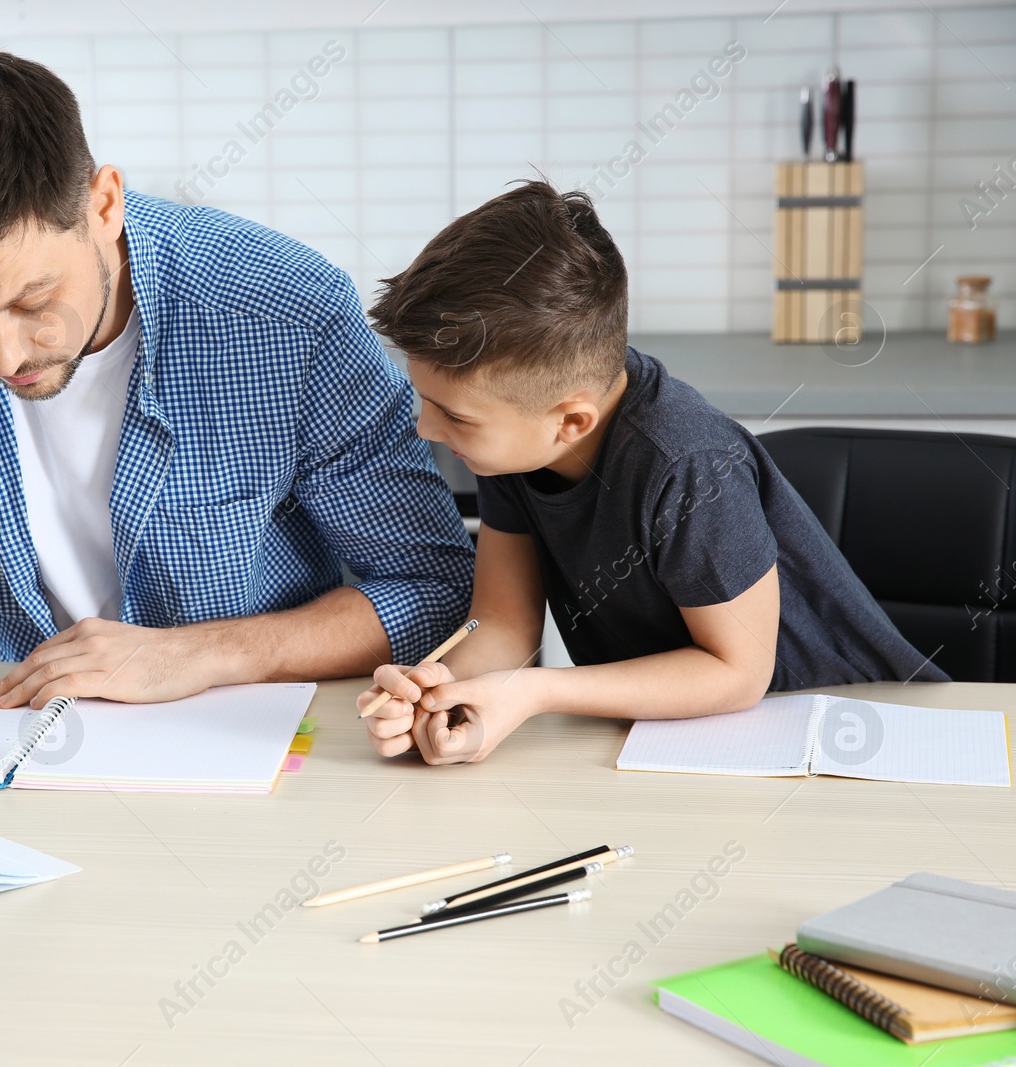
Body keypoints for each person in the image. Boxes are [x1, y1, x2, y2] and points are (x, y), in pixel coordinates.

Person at [0, 52, 473, 755]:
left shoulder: (284, 311)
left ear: (104, 205)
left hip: (239, 735)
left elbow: (430, 584)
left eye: (34, 300)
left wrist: (202, 653)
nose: (4, 356)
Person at [357, 179, 946, 765]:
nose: (425, 429)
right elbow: (505, 624)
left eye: (452, 415)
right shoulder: (515, 436)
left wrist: (531, 692)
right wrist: (438, 690)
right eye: (425, 401)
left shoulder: (687, 466)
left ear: (571, 422)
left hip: (841, 729)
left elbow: (736, 674)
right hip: (689, 736)